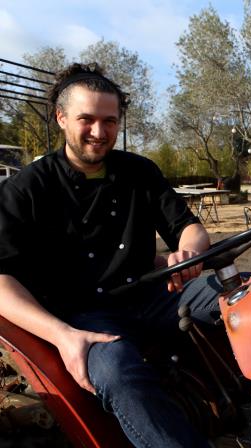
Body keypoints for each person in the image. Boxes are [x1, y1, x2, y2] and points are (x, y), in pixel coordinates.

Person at [0, 63, 218, 447]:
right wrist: (63, 335)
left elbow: (189, 227)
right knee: (118, 373)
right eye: (87, 119)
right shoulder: (27, 189)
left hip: (155, 295)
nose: (99, 133)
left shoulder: (140, 172)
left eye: (110, 121)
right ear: (61, 118)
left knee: (246, 297)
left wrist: (189, 253)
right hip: (84, 316)